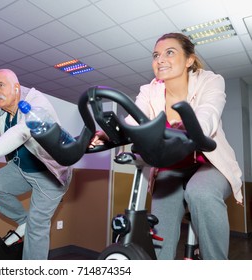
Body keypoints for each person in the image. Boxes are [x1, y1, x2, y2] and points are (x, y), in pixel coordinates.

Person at [91, 33, 243, 260]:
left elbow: (208, 115)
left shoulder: (210, 81)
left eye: (169, 52)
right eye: (156, 55)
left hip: (208, 164)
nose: (160, 59)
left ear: (190, 59)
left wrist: (192, 126)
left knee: (201, 192)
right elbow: (133, 122)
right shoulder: (149, 90)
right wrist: (108, 134)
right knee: (161, 237)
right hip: (170, 166)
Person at [0, 68, 72, 260]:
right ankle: (24, 222)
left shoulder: (36, 103)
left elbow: (22, 131)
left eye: (0, 85)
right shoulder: (2, 113)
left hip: (50, 176)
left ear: (16, 87)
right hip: (22, 170)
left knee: (37, 228)